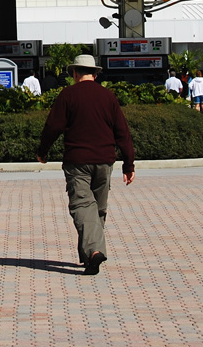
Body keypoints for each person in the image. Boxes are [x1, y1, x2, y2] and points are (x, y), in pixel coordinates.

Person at [36, 54, 135, 276]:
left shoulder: (68, 95)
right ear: (95, 73)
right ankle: (90, 256)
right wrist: (129, 164)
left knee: (82, 206)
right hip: (105, 161)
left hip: (77, 161)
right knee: (97, 210)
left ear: (74, 73)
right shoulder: (107, 96)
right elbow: (122, 132)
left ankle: (93, 251)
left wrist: (43, 151)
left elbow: (53, 127)